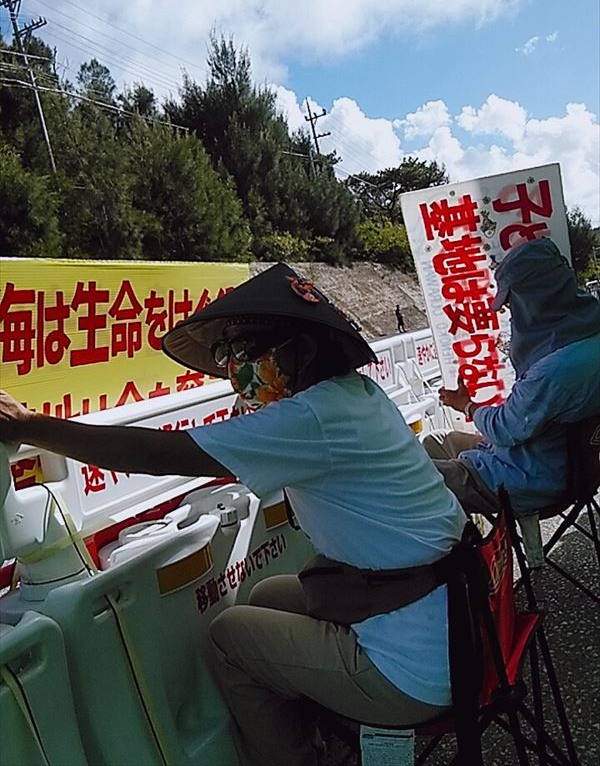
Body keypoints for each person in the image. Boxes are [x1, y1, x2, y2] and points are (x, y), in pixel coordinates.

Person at [0, 263, 467, 766]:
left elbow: (159, 453)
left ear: (304, 351)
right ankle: (325, 732)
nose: (235, 370)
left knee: (229, 637)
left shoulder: (310, 417)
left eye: (246, 351)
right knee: (267, 595)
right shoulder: (355, 394)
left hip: (412, 672)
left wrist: (30, 425)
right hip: (455, 620)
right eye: (227, 356)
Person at [422, 237, 600, 517]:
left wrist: (467, 406)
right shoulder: (587, 334)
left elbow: (504, 428)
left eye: (511, 301)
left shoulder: (554, 370)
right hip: (568, 462)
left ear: (532, 299)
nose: (510, 312)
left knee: (413, 481)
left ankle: (467, 544)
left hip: (529, 478)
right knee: (437, 441)